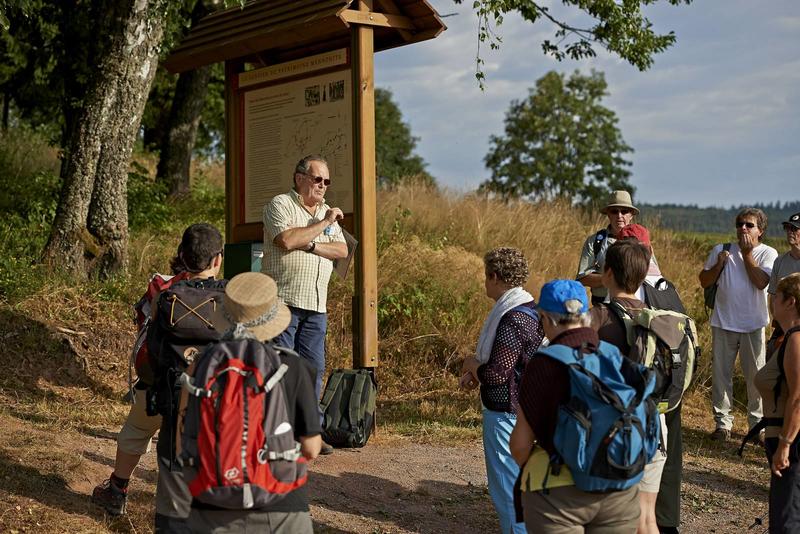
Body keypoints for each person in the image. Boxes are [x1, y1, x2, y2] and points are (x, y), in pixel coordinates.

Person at [186, 272, 322, 534]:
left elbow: (187, 437)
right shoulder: (293, 366)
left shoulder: (202, 364)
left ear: (225, 317)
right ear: (273, 320)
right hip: (282, 505)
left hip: (210, 502)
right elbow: (312, 448)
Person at [510, 279, 641, 533]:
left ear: (545, 319)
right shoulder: (613, 357)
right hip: (620, 488)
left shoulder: (542, 365)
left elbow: (520, 445)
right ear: (585, 317)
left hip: (558, 498)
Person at [262, 154, 347, 454]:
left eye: (327, 181)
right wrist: (322, 225)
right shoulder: (280, 205)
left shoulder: (326, 210)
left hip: (316, 305)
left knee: (313, 370)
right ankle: (279, 434)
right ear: (300, 178)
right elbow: (285, 240)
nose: (323, 186)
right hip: (283, 302)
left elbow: (340, 250)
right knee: (282, 370)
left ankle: (310, 433)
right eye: (317, 179)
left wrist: (309, 243)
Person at [460, 247, 545, 534]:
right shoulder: (530, 310)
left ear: (494, 276)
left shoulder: (511, 318)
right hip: (524, 409)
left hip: (506, 413)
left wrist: (473, 365)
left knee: (509, 494)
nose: (485, 283)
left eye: (486, 277)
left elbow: (497, 374)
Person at [151, 222, 227, 532]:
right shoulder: (234, 300)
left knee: (172, 481)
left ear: (182, 256)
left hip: (175, 407)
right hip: (221, 413)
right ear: (218, 260)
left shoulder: (166, 299)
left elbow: (154, 353)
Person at [588, 239, 668, 534]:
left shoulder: (597, 318)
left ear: (607, 274)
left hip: (613, 429)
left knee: (610, 519)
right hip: (656, 425)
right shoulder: (659, 319)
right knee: (647, 518)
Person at [699, 208, 778, 442]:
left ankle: (756, 426)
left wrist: (746, 254)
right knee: (722, 376)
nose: (743, 228)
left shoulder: (767, 253)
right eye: (740, 224)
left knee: (756, 378)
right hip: (723, 322)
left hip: (753, 325)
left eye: (749, 225)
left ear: (760, 231)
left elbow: (761, 282)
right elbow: (704, 281)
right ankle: (723, 424)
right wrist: (719, 265)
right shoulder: (721, 250)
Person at [754, 273, 800, 533]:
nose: (772, 301)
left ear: (790, 302)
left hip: (791, 443)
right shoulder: (789, 337)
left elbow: (798, 397)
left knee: (787, 522)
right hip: (783, 438)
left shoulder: (796, 339)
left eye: (777, 296)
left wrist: (785, 444)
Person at [577, 190, 641, 305]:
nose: (619, 216)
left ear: (631, 215)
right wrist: (611, 279)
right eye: (614, 211)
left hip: (634, 306)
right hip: (602, 307)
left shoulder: (641, 241)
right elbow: (583, 278)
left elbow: (653, 275)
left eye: (624, 211)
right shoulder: (595, 241)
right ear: (608, 214)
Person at [766, 212, 800, 356]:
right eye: (787, 228)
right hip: (783, 328)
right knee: (768, 372)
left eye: (794, 229)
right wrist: (780, 321)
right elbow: (772, 296)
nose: (790, 232)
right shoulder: (779, 261)